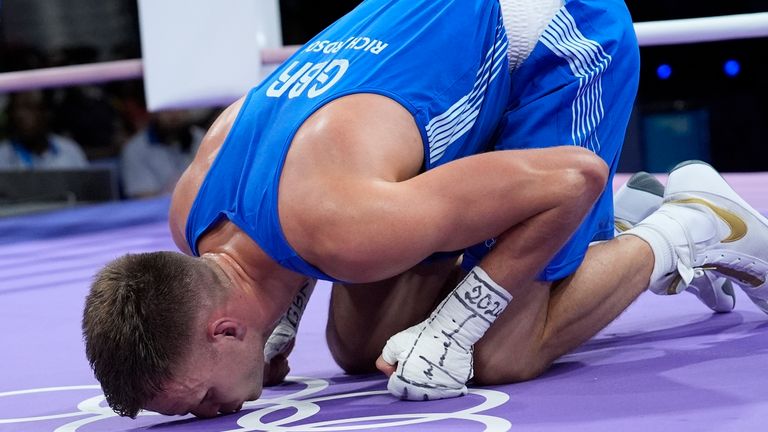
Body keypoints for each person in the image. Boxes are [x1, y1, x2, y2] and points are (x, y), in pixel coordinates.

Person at [81, 0, 768, 420]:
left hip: (557, 37)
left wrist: (459, 326)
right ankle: (613, 233)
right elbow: (270, 156)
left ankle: (694, 222)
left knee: (500, 353)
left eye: (200, 400)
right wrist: (283, 312)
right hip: (436, 52)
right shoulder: (193, 211)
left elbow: (575, 178)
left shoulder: (344, 223)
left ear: (225, 330)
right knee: (359, 352)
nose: (214, 413)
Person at [120, 110, 206, 198]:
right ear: (154, 111)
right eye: (167, 109)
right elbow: (144, 199)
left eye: (178, 108)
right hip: (160, 210)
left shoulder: (203, 138)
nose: (174, 115)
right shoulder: (135, 148)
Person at [0, 90, 89, 170]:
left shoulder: (70, 150)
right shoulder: (3, 155)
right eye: (16, 109)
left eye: (29, 107)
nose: (20, 116)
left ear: (46, 113)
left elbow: (85, 186)